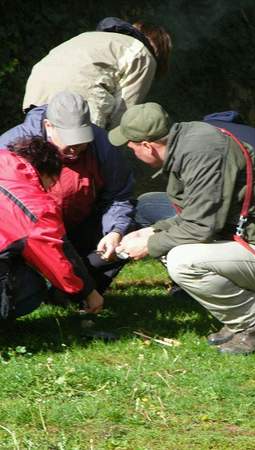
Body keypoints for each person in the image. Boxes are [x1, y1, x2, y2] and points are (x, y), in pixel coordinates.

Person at [108, 102, 255, 354]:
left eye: (131, 146)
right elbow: (201, 214)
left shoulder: (202, 153)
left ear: (147, 146)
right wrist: (153, 231)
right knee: (166, 238)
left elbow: (200, 226)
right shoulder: (189, 141)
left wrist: (148, 244)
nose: (130, 151)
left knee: (182, 261)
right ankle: (240, 320)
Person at [0, 91, 135, 298]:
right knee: (28, 289)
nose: (76, 149)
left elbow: (119, 196)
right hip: (23, 237)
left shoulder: (102, 146)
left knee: (130, 231)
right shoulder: (11, 146)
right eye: (69, 141)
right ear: (48, 126)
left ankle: (72, 295)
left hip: (79, 226)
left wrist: (115, 231)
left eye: (82, 141)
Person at [0, 137, 103, 322]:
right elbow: (57, 260)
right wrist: (88, 292)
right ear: (46, 174)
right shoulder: (33, 205)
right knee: (33, 286)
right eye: (51, 184)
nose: (49, 189)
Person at [22, 17, 172, 129]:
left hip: (37, 90)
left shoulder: (92, 36)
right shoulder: (143, 54)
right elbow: (123, 111)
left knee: (37, 148)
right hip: (80, 96)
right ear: (159, 51)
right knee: (80, 154)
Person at [135, 109, 255, 228]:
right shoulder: (254, 134)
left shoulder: (203, 143)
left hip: (237, 218)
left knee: (145, 205)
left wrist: (153, 239)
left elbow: (203, 218)